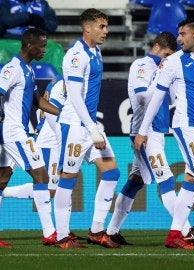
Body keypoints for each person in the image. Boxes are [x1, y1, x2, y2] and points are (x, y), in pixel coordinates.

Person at [134, 18, 194, 249]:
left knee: (191, 178)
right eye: (178, 34)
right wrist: (143, 130)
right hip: (184, 125)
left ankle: (175, 235)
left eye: (182, 34)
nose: (178, 39)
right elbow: (157, 97)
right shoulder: (173, 62)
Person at [107, 32, 194, 246]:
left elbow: (167, 98)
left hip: (157, 130)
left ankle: (112, 231)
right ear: (158, 47)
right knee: (166, 180)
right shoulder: (143, 65)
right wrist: (160, 78)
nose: (167, 59)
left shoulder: (161, 68)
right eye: (167, 54)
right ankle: (184, 230)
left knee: (136, 181)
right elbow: (142, 96)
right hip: (145, 132)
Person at [0, 28, 59, 247]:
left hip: (10, 131)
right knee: (42, 176)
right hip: (13, 131)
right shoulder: (13, 68)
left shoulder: (28, 70)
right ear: (29, 45)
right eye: (41, 45)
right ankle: (50, 233)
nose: (44, 50)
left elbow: (37, 100)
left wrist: (63, 114)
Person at [53, 8, 120, 249]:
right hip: (74, 125)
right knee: (68, 178)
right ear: (87, 28)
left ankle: (95, 230)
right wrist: (92, 128)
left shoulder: (96, 51)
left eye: (107, 26)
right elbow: (74, 96)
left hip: (89, 124)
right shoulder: (76, 55)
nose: (106, 31)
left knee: (112, 172)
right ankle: (61, 236)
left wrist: (92, 127)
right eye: (102, 26)